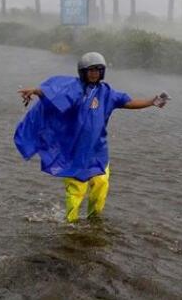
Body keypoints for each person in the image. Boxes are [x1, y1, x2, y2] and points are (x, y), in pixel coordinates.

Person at [14, 52, 169, 223]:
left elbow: (129, 102)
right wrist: (36, 91)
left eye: (98, 70)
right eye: (91, 70)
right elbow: (54, 94)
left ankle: (94, 222)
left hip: (98, 152)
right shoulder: (73, 89)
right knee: (76, 191)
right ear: (83, 71)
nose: (95, 73)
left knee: (101, 187)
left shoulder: (107, 93)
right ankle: (70, 225)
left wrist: (151, 101)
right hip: (75, 154)